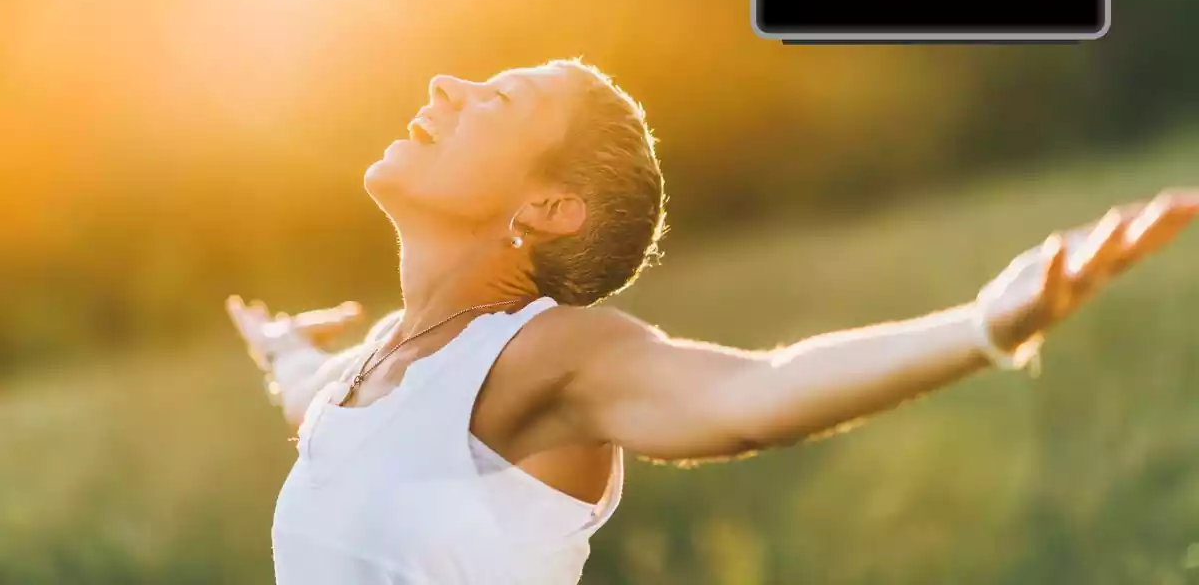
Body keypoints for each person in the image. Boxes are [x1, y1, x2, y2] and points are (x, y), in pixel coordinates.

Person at [227, 59, 1197, 585]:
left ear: (550, 206)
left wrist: (985, 323)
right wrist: (284, 349)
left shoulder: (543, 353)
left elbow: (753, 394)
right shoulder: (378, 365)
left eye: (497, 99)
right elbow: (321, 403)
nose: (443, 85)